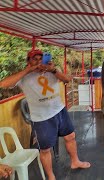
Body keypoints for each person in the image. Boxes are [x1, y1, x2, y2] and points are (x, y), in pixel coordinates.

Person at [0, 49, 90, 180]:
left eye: (40, 59)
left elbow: (67, 79)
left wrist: (53, 70)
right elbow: (3, 84)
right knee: (45, 149)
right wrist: (28, 70)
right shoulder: (23, 77)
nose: (38, 62)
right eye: (34, 59)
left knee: (70, 136)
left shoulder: (52, 71)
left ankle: (75, 162)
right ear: (28, 61)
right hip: (42, 119)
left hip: (60, 111)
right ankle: (51, 176)